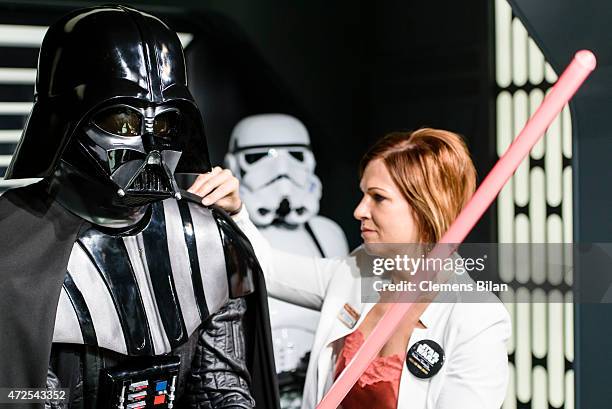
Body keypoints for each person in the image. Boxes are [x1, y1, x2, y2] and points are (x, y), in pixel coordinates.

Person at [0, 5, 278, 409]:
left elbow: (221, 387)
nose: (150, 145)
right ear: (67, 122)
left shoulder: (208, 238)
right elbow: (21, 393)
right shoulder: (12, 245)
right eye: (123, 122)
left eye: (165, 124)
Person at [190, 128, 511, 409]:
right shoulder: (359, 269)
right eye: (363, 195)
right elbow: (269, 270)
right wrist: (236, 211)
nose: (359, 211)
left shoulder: (476, 318)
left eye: (378, 198)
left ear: (425, 208)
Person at [222, 113, 349, 408]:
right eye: (260, 157)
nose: (281, 170)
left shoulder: (325, 234)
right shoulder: (220, 234)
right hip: (249, 388)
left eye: (294, 155)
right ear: (234, 164)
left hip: (317, 388)